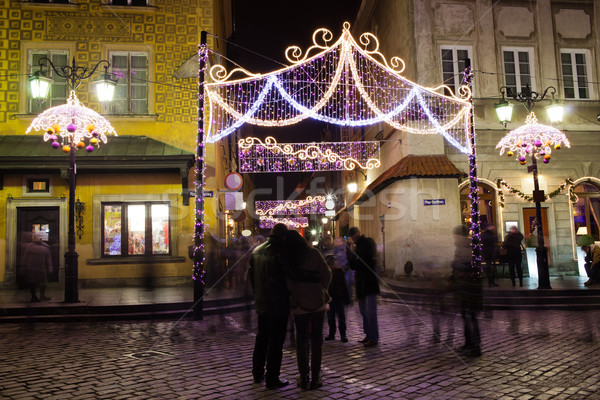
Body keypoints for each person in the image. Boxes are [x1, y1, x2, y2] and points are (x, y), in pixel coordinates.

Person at [284, 230, 332, 390]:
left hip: (299, 305)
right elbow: (327, 274)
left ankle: (304, 377)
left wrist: (295, 294)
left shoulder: (289, 259)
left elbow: (287, 282)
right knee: (317, 340)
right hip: (317, 303)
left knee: (301, 341)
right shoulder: (314, 254)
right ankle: (316, 377)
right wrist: (321, 288)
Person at [248, 223, 291, 390]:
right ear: (284, 236)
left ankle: (257, 373)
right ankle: (273, 377)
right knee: (276, 342)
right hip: (278, 303)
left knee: (262, 338)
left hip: (262, 301)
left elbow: (251, 276)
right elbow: (287, 277)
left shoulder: (257, 251)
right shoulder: (281, 251)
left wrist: (257, 293)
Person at [450, 225, 482, 357]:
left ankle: (473, 345)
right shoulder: (467, 245)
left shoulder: (464, 246)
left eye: (455, 235)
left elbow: (465, 265)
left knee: (469, 316)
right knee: (468, 316)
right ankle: (471, 343)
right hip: (468, 287)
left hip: (467, 288)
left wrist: (454, 266)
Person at [346, 226, 380, 347]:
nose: (353, 238)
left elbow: (366, 259)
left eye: (354, 235)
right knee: (363, 311)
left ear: (359, 233)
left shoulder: (367, 242)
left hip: (369, 282)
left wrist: (355, 253)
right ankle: (368, 334)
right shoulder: (355, 247)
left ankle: (374, 337)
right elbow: (353, 266)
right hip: (360, 283)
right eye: (351, 236)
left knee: (371, 312)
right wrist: (350, 253)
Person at [324, 255, 350, 343]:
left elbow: (344, 286)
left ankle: (343, 334)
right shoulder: (326, 272)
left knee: (341, 317)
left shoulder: (339, 272)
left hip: (339, 298)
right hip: (331, 298)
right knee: (331, 317)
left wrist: (346, 298)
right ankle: (332, 334)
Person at [22, 233, 53, 302]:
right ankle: (34, 296)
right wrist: (24, 266)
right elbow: (25, 257)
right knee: (33, 283)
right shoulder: (30, 246)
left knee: (42, 283)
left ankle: (40, 296)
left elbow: (48, 258)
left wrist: (49, 267)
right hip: (33, 268)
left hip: (39, 267)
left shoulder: (44, 247)